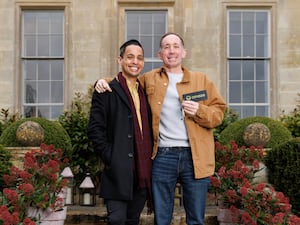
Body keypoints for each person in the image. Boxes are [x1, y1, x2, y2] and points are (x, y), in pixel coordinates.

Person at [95, 32, 226, 225]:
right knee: (162, 219)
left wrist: (200, 110)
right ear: (159, 54)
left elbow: (218, 114)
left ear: (184, 52)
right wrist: (103, 81)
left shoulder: (201, 80)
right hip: (163, 156)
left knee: (196, 219)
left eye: (175, 46)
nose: (171, 50)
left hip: (196, 157)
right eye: (166, 47)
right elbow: (126, 80)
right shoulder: (149, 79)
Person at [88, 39, 153, 225]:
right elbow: (95, 130)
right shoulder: (106, 90)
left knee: (133, 221)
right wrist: (112, 157)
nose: (135, 62)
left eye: (140, 58)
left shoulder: (145, 90)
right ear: (120, 59)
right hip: (118, 171)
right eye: (130, 57)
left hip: (142, 170)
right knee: (116, 220)